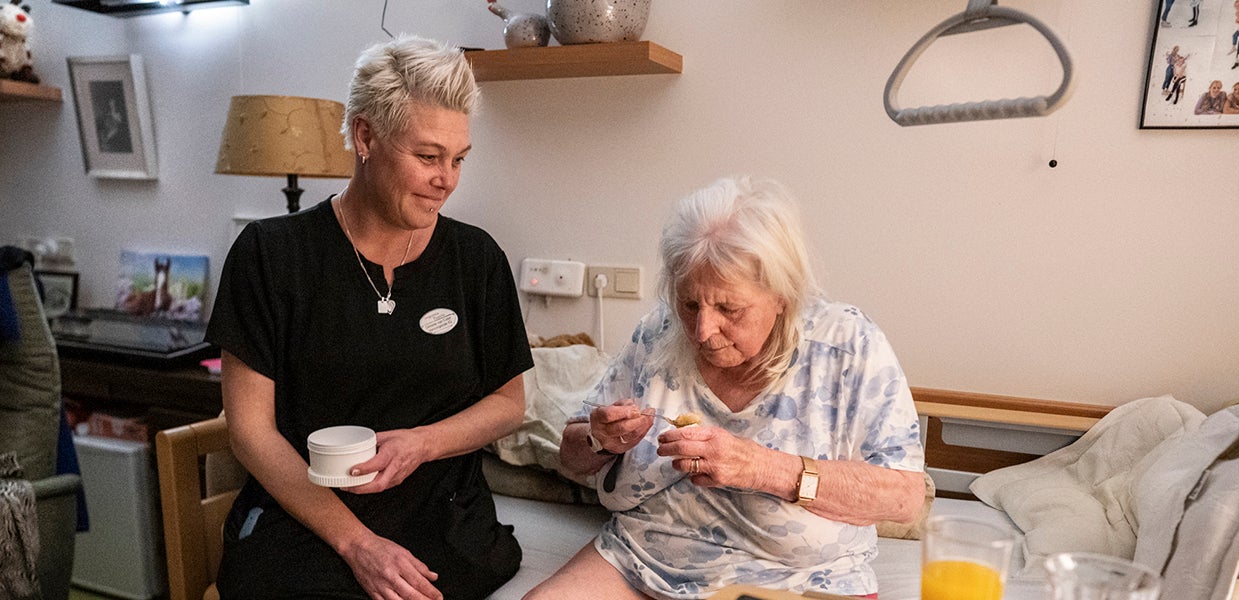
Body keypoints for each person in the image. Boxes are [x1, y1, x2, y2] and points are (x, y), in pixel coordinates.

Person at [207, 35, 532, 600]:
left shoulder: (476, 260)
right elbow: (250, 432)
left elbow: (509, 405)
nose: (447, 179)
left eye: (458, 159)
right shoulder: (271, 255)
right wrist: (357, 544)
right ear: (365, 137)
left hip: (445, 521)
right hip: (309, 518)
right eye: (428, 156)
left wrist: (423, 443)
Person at [526, 177, 927, 600]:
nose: (702, 330)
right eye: (689, 304)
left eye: (729, 308)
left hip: (795, 579)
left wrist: (762, 468)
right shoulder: (658, 332)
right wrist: (599, 439)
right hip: (640, 560)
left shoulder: (848, 346)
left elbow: (904, 498)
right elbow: (571, 455)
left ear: (782, 296)